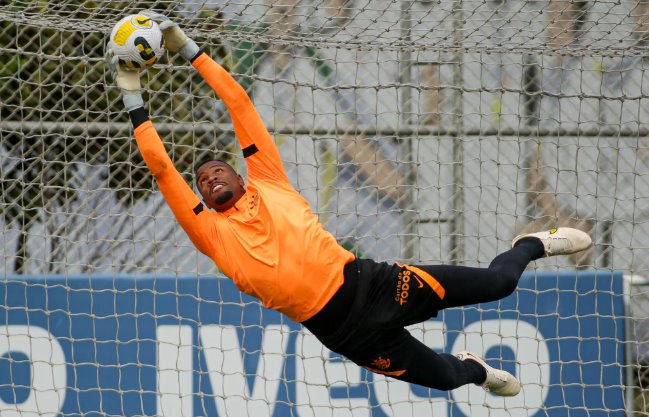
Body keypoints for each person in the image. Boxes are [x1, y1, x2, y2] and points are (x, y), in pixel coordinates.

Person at [106, 12, 593, 397]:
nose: (209, 177)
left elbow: (239, 104)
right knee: (446, 379)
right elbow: (163, 167)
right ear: (204, 201)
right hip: (343, 333)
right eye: (203, 180)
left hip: (372, 284)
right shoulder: (211, 234)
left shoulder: (269, 179)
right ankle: (478, 373)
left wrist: (189, 49)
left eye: (218, 169)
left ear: (241, 172)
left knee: (501, 283)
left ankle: (531, 244)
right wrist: (132, 92)